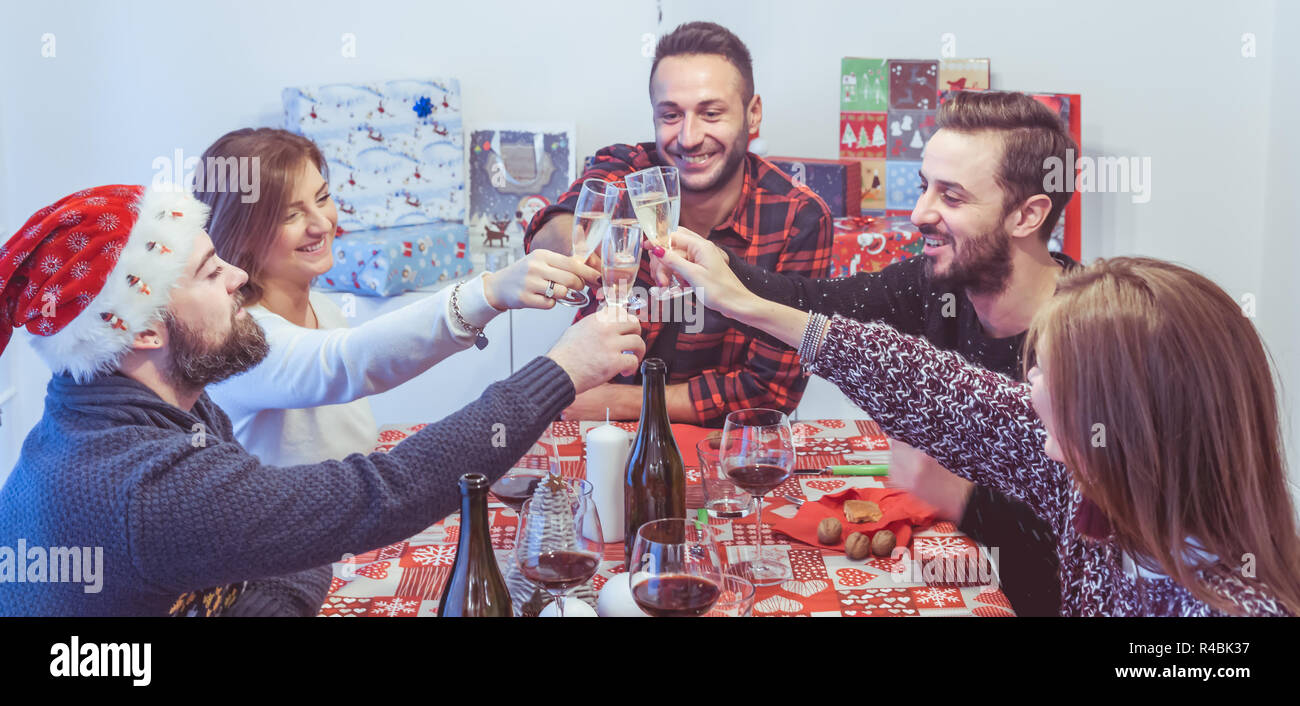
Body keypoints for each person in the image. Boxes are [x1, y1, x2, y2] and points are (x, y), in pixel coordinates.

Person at [0, 184, 642, 616]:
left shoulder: (164, 410)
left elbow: (295, 547)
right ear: (139, 328)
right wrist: (560, 370)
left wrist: (289, 548)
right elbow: (382, 494)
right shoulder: (142, 487)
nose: (238, 278)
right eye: (208, 271)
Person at [657, 233, 1300, 616]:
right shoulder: (1089, 478)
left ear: (1125, 416)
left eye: (1047, 375)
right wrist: (747, 304)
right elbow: (935, 387)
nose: (1026, 393)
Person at [652, 90, 1073, 615]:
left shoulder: (1087, 347)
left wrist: (963, 499)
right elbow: (818, 305)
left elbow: (1081, 555)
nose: (920, 214)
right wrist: (718, 265)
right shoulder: (935, 286)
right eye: (924, 188)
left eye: (952, 197)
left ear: (1027, 215)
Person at [194, 128, 599, 466]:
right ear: (241, 231)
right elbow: (346, 362)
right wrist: (488, 292)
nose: (322, 223)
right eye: (290, 215)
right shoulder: (234, 341)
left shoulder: (326, 310)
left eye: (321, 198)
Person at [525, 21, 834, 427]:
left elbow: (769, 391)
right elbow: (548, 233)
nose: (689, 137)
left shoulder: (799, 217)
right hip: (606, 438)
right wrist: (582, 249)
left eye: (711, 113)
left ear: (752, 114)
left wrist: (616, 400)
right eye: (671, 114)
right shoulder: (628, 167)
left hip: (726, 443)